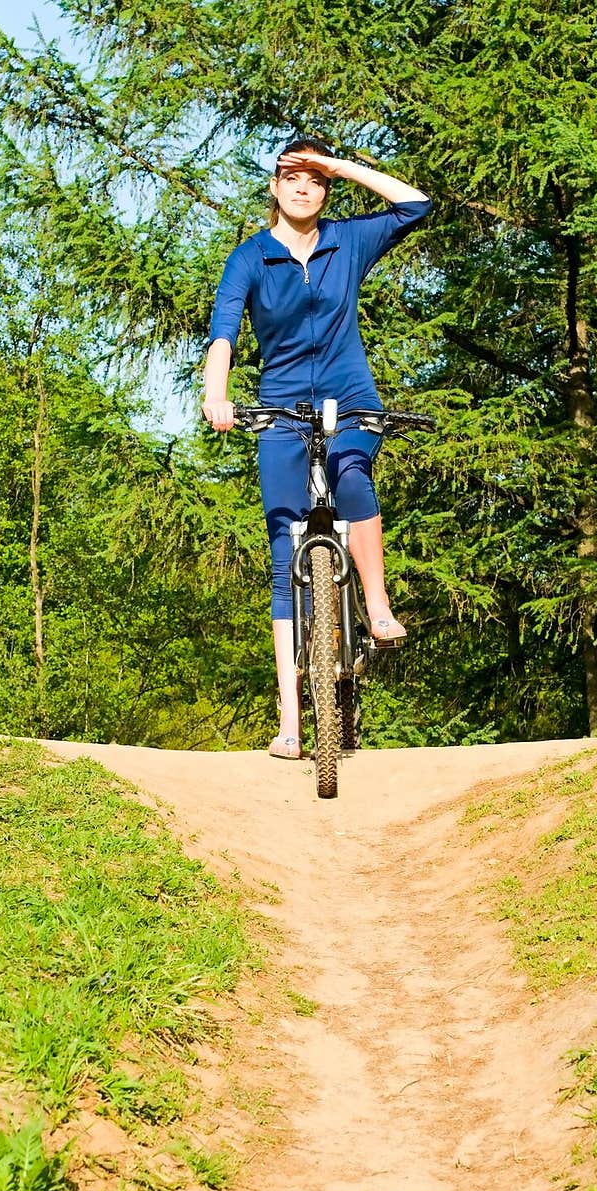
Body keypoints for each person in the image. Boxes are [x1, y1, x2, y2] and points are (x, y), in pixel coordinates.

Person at [202, 137, 431, 759]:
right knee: (284, 546)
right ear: (274, 188)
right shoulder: (249, 259)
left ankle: (378, 609)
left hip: (349, 395)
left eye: (316, 179)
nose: (305, 187)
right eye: (293, 176)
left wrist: (344, 167)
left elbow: (416, 205)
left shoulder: (347, 242)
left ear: (326, 188)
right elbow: (223, 336)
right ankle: (291, 723)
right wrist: (216, 396)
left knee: (352, 473)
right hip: (279, 404)